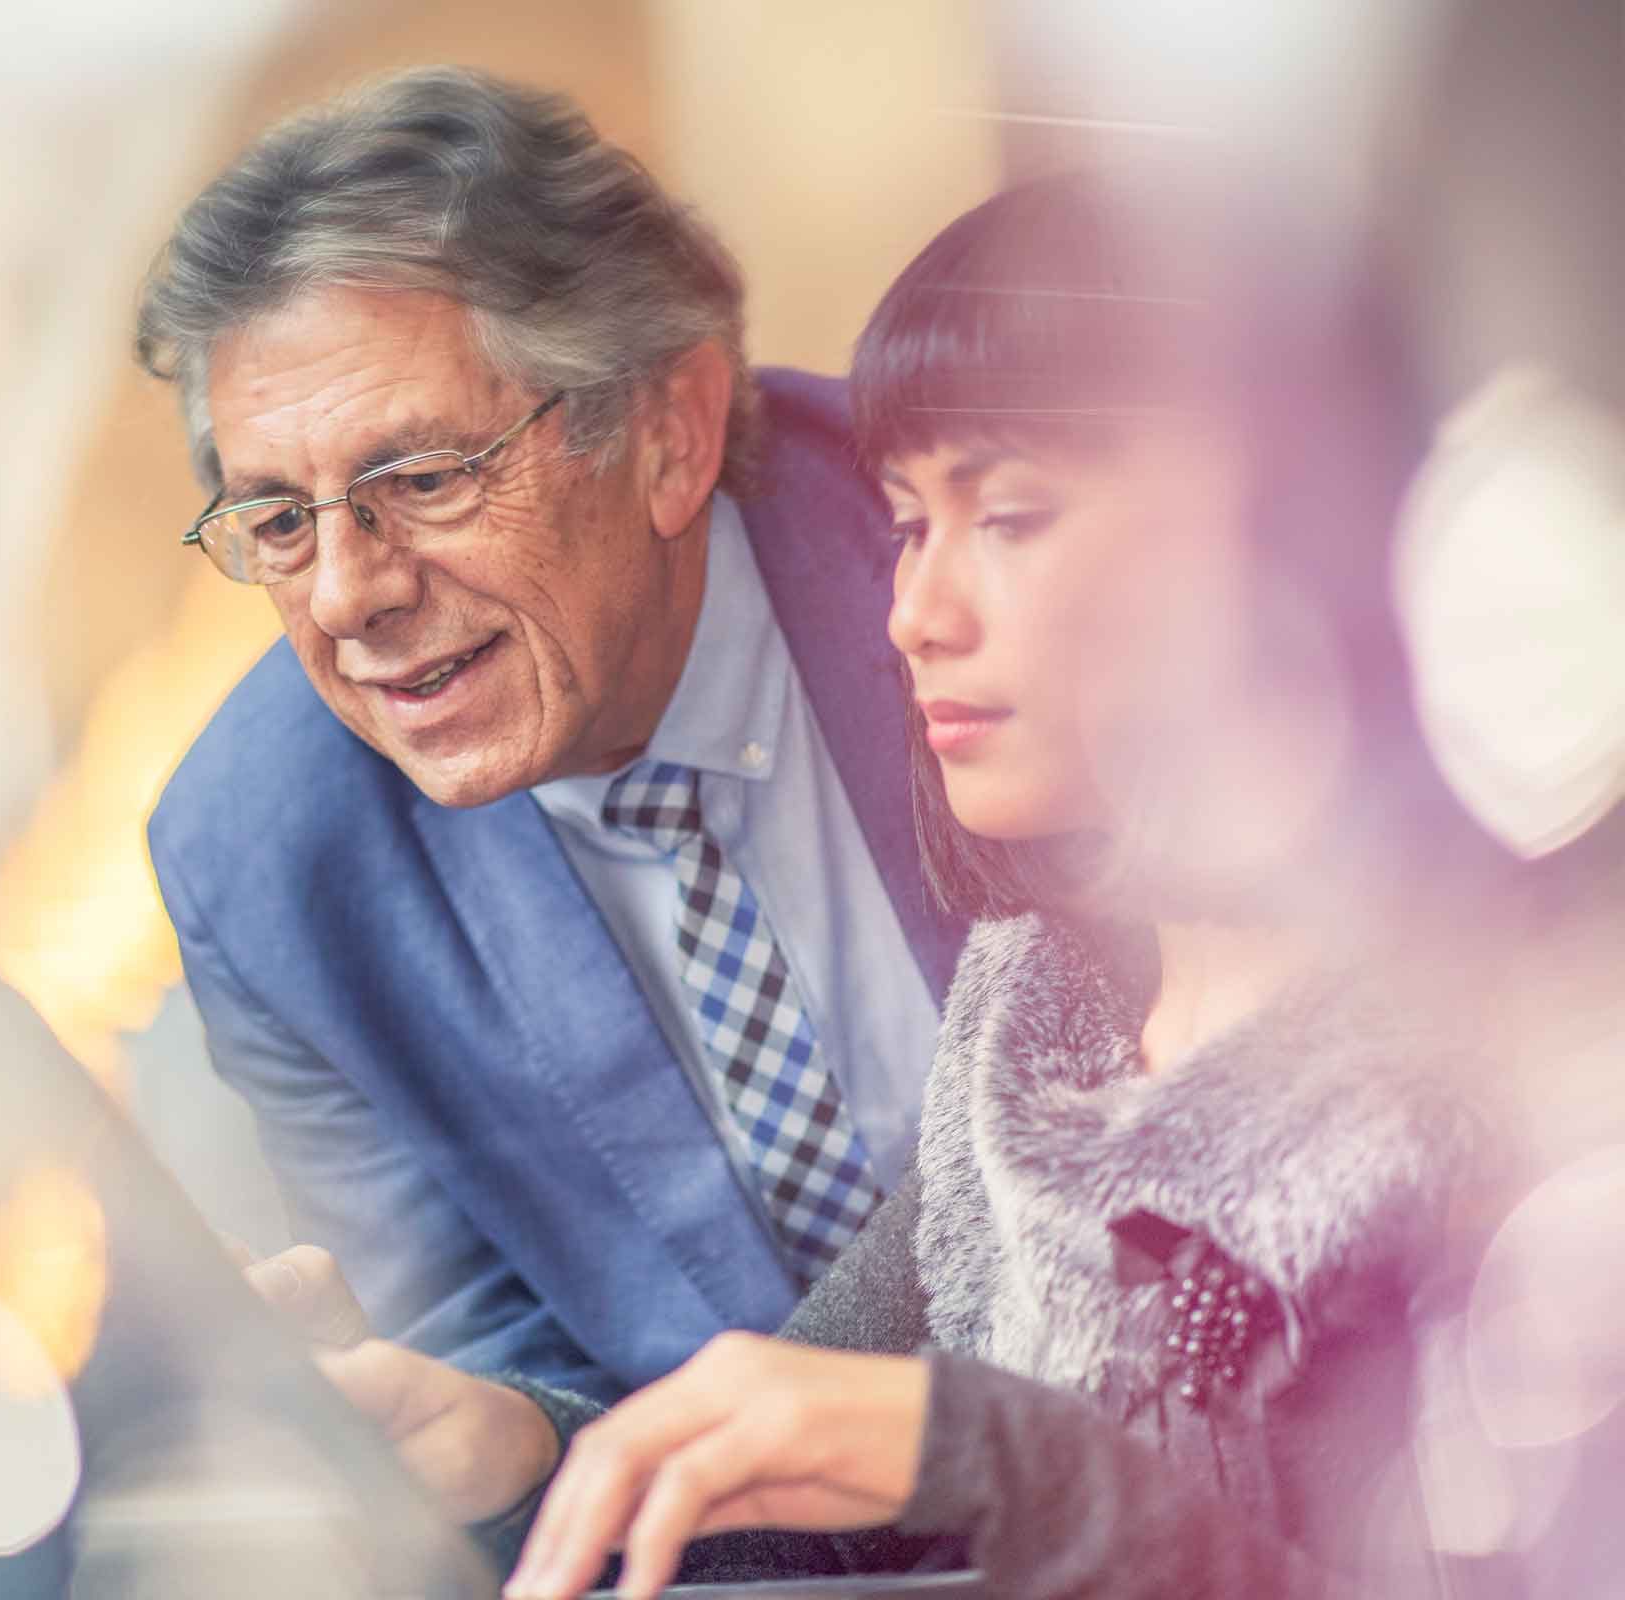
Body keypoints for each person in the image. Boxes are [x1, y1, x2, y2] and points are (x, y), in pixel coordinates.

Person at [301, 169, 1551, 1599]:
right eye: (907, 525)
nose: (914, 614)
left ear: (1274, 532)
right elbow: (803, 1483)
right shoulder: (1036, 1017)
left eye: (1008, 519)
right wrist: (514, 1450)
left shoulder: (1484, 1074)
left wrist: (993, 1456)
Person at [137, 66, 961, 1402]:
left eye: (424, 478)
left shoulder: (950, 548)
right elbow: (481, 1358)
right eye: (280, 520)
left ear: (669, 431)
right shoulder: (265, 863)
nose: (347, 594)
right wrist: (514, 1437)